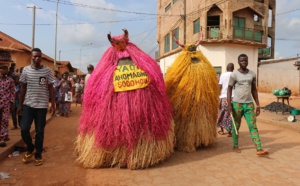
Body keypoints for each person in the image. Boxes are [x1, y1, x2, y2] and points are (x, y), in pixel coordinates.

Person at [17, 48, 56, 166]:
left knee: (39, 131)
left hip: (42, 106)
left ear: (41, 57)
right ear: (31, 57)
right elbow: (23, 88)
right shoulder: (26, 71)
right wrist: (20, 105)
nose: (37, 58)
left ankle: (38, 154)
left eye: (39, 56)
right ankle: (30, 148)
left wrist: (53, 104)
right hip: (28, 105)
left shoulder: (47, 71)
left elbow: (50, 88)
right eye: (35, 56)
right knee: (24, 129)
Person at [227, 54, 268, 155]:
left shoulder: (252, 74)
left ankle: (259, 148)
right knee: (236, 126)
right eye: (242, 61)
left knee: (253, 126)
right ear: (238, 62)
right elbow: (229, 89)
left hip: (249, 104)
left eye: (246, 60)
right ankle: (235, 146)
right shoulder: (234, 74)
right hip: (237, 104)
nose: (244, 62)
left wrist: (258, 104)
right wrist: (229, 104)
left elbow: (254, 89)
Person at [0, 62, 15, 147]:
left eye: (6, 69)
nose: (5, 70)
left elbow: (13, 92)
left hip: (6, 104)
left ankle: (2, 138)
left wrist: (12, 103)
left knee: (5, 120)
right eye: (3, 68)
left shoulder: (10, 80)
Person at [217, 63, 234, 137]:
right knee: (231, 114)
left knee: (222, 113)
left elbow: (220, 86)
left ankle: (222, 130)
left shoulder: (223, 75)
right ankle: (229, 132)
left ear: (227, 68)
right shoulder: (235, 75)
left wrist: (218, 95)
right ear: (233, 68)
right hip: (233, 97)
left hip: (224, 96)